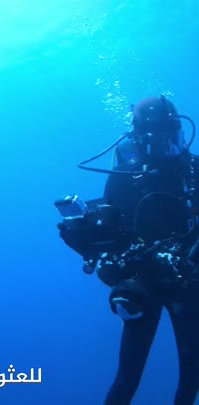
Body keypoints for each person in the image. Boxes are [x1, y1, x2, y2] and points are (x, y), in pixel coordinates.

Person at [57, 95, 199, 404]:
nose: (164, 146)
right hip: (144, 282)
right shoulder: (124, 179)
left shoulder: (195, 171)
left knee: (189, 378)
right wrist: (83, 241)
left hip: (190, 281)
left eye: (170, 136)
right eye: (155, 138)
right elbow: (111, 237)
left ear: (179, 131)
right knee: (127, 380)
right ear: (138, 139)